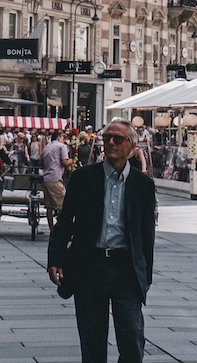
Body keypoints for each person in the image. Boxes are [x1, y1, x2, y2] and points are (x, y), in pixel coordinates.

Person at [47, 119, 157, 363]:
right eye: (106, 138)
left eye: (118, 139)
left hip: (126, 268)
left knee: (132, 338)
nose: (110, 143)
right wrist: (55, 258)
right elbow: (65, 221)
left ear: (132, 146)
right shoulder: (84, 178)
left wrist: (146, 273)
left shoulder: (143, 184)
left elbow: (146, 232)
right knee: (92, 341)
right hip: (90, 266)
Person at [41, 129, 71, 228]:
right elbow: (65, 163)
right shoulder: (61, 146)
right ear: (58, 137)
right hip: (55, 177)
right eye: (63, 137)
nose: (64, 140)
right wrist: (71, 161)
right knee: (65, 204)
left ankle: (51, 228)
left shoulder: (46, 147)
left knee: (49, 207)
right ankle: (62, 228)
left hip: (46, 178)